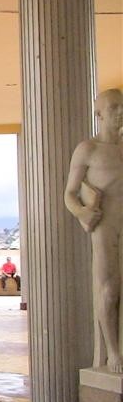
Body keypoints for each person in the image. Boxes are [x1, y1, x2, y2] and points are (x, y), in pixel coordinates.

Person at [65, 88, 123, 373]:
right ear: (99, 114)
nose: (120, 112)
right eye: (113, 108)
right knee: (109, 290)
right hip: (105, 225)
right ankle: (113, 352)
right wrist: (82, 212)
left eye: (122, 107)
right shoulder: (89, 149)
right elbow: (70, 193)